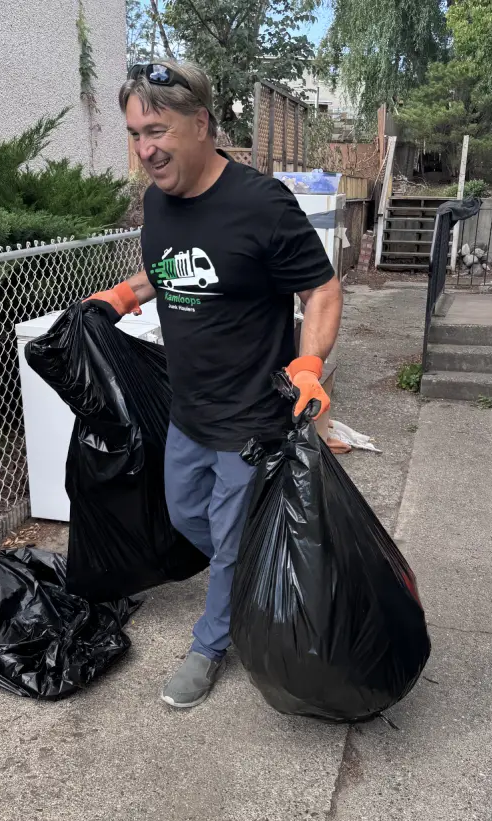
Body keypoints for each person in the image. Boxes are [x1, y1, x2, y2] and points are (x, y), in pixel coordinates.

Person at [86, 60, 343, 708]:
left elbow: (321, 288)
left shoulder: (261, 204)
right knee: (186, 515)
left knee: (227, 539)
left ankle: (211, 643)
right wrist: (124, 294)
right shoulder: (158, 203)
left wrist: (308, 365)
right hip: (189, 410)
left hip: (252, 417)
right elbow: (169, 269)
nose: (145, 150)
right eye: (135, 134)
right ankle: (260, 573)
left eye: (157, 131)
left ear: (200, 123)